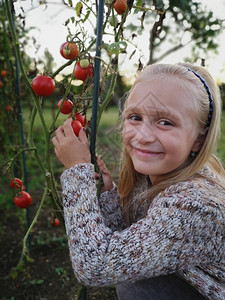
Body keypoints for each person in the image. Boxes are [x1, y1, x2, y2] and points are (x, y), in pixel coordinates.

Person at [52, 63, 225, 300]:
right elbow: (131, 245)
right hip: (187, 280)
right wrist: (108, 195)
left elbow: (94, 267)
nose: (142, 136)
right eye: (135, 117)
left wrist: (76, 172)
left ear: (198, 140)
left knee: (138, 290)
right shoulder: (154, 176)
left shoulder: (195, 205)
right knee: (134, 284)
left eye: (165, 122)